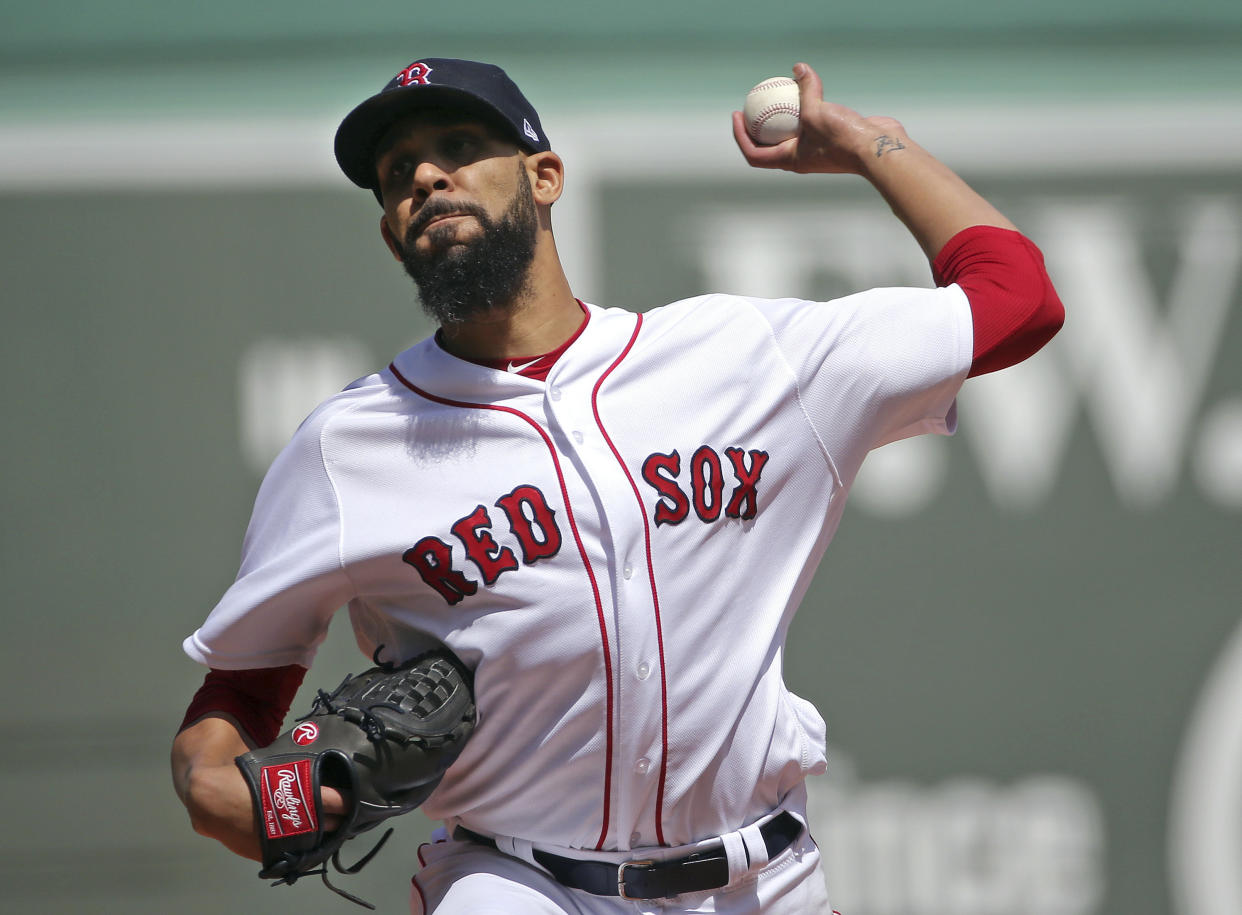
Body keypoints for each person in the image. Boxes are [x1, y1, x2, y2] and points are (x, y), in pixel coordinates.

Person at [171, 56, 1063, 914]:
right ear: (389, 230)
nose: (429, 178)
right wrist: (224, 794)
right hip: (515, 880)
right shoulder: (348, 443)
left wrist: (875, 148)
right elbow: (239, 697)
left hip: (764, 878)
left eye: (458, 147)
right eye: (400, 170)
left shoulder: (749, 358)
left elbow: (1020, 301)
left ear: (545, 175)